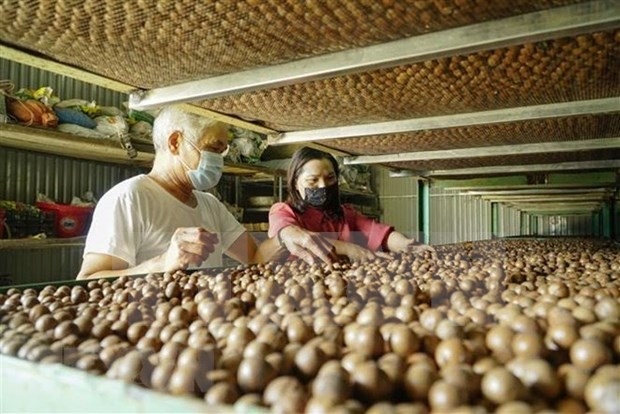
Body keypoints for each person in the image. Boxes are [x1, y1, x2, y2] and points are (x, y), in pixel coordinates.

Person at [77, 105, 261, 279]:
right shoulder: (129, 198)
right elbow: (89, 279)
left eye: (221, 152)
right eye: (213, 148)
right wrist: (161, 264)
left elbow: (255, 256)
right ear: (175, 142)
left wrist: (284, 231)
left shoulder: (210, 205)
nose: (218, 161)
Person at [266, 146, 432, 265]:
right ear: (295, 183)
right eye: (313, 180)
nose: (323, 186)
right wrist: (350, 249)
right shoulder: (284, 211)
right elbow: (289, 233)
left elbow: (379, 233)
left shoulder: (346, 215)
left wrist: (405, 244)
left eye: (330, 178)